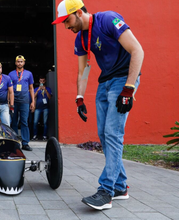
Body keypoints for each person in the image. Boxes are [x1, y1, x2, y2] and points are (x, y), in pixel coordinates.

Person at [52, 0, 144, 210]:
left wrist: (129, 88)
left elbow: (137, 50)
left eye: (67, 21)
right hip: (105, 83)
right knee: (104, 135)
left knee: (113, 133)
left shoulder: (108, 20)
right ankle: (120, 186)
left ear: (78, 12)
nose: (66, 27)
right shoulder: (80, 38)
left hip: (123, 80)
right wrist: (79, 97)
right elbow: (83, 71)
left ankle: (106, 191)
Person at [8, 55, 35, 151]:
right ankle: (15, 142)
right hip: (14, 101)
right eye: (18, 61)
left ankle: (25, 143)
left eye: (21, 61)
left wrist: (33, 101)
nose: (19, 63)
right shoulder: (11, 74)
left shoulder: (29, 74)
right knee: (14, 122)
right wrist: (8, 101)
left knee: (24, 122)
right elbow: (9, 89)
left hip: (25, 101)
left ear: (24, 63)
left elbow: (31, 88)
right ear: (15, 63)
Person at [32, 76, 52, 141]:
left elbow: (49, 97)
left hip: (46, 108)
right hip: (38, 108)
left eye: (43, 81)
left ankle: (44, 136)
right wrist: (38, 90)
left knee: (45, 122)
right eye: (41, 81)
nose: (42, 82)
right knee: (35, 122)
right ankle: (35, 135)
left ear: (45, 81)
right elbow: (33, 97)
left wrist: (45, 90)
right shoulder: (36, 89)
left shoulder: (48, 89)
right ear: (39, 81)